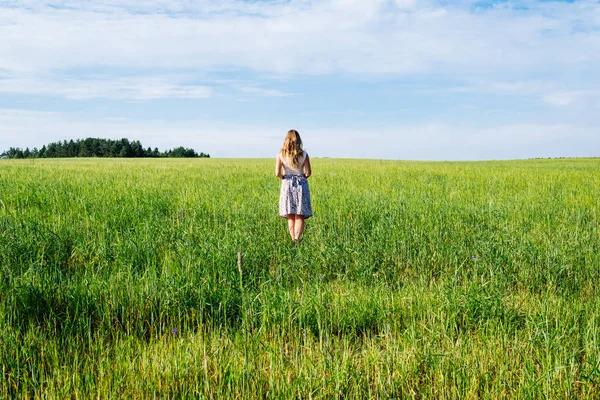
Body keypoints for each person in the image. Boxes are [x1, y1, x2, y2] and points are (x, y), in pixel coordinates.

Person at [275, 129, 313, 243]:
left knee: (290, 214)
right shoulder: (304, 154)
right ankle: (297, 239)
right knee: (299, 214)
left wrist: (285, 178)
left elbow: (277, 173)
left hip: (287, 184)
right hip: (301, 183)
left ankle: (293, 240)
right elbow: (308, 172)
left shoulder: (281, 154)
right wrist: (302, 177)